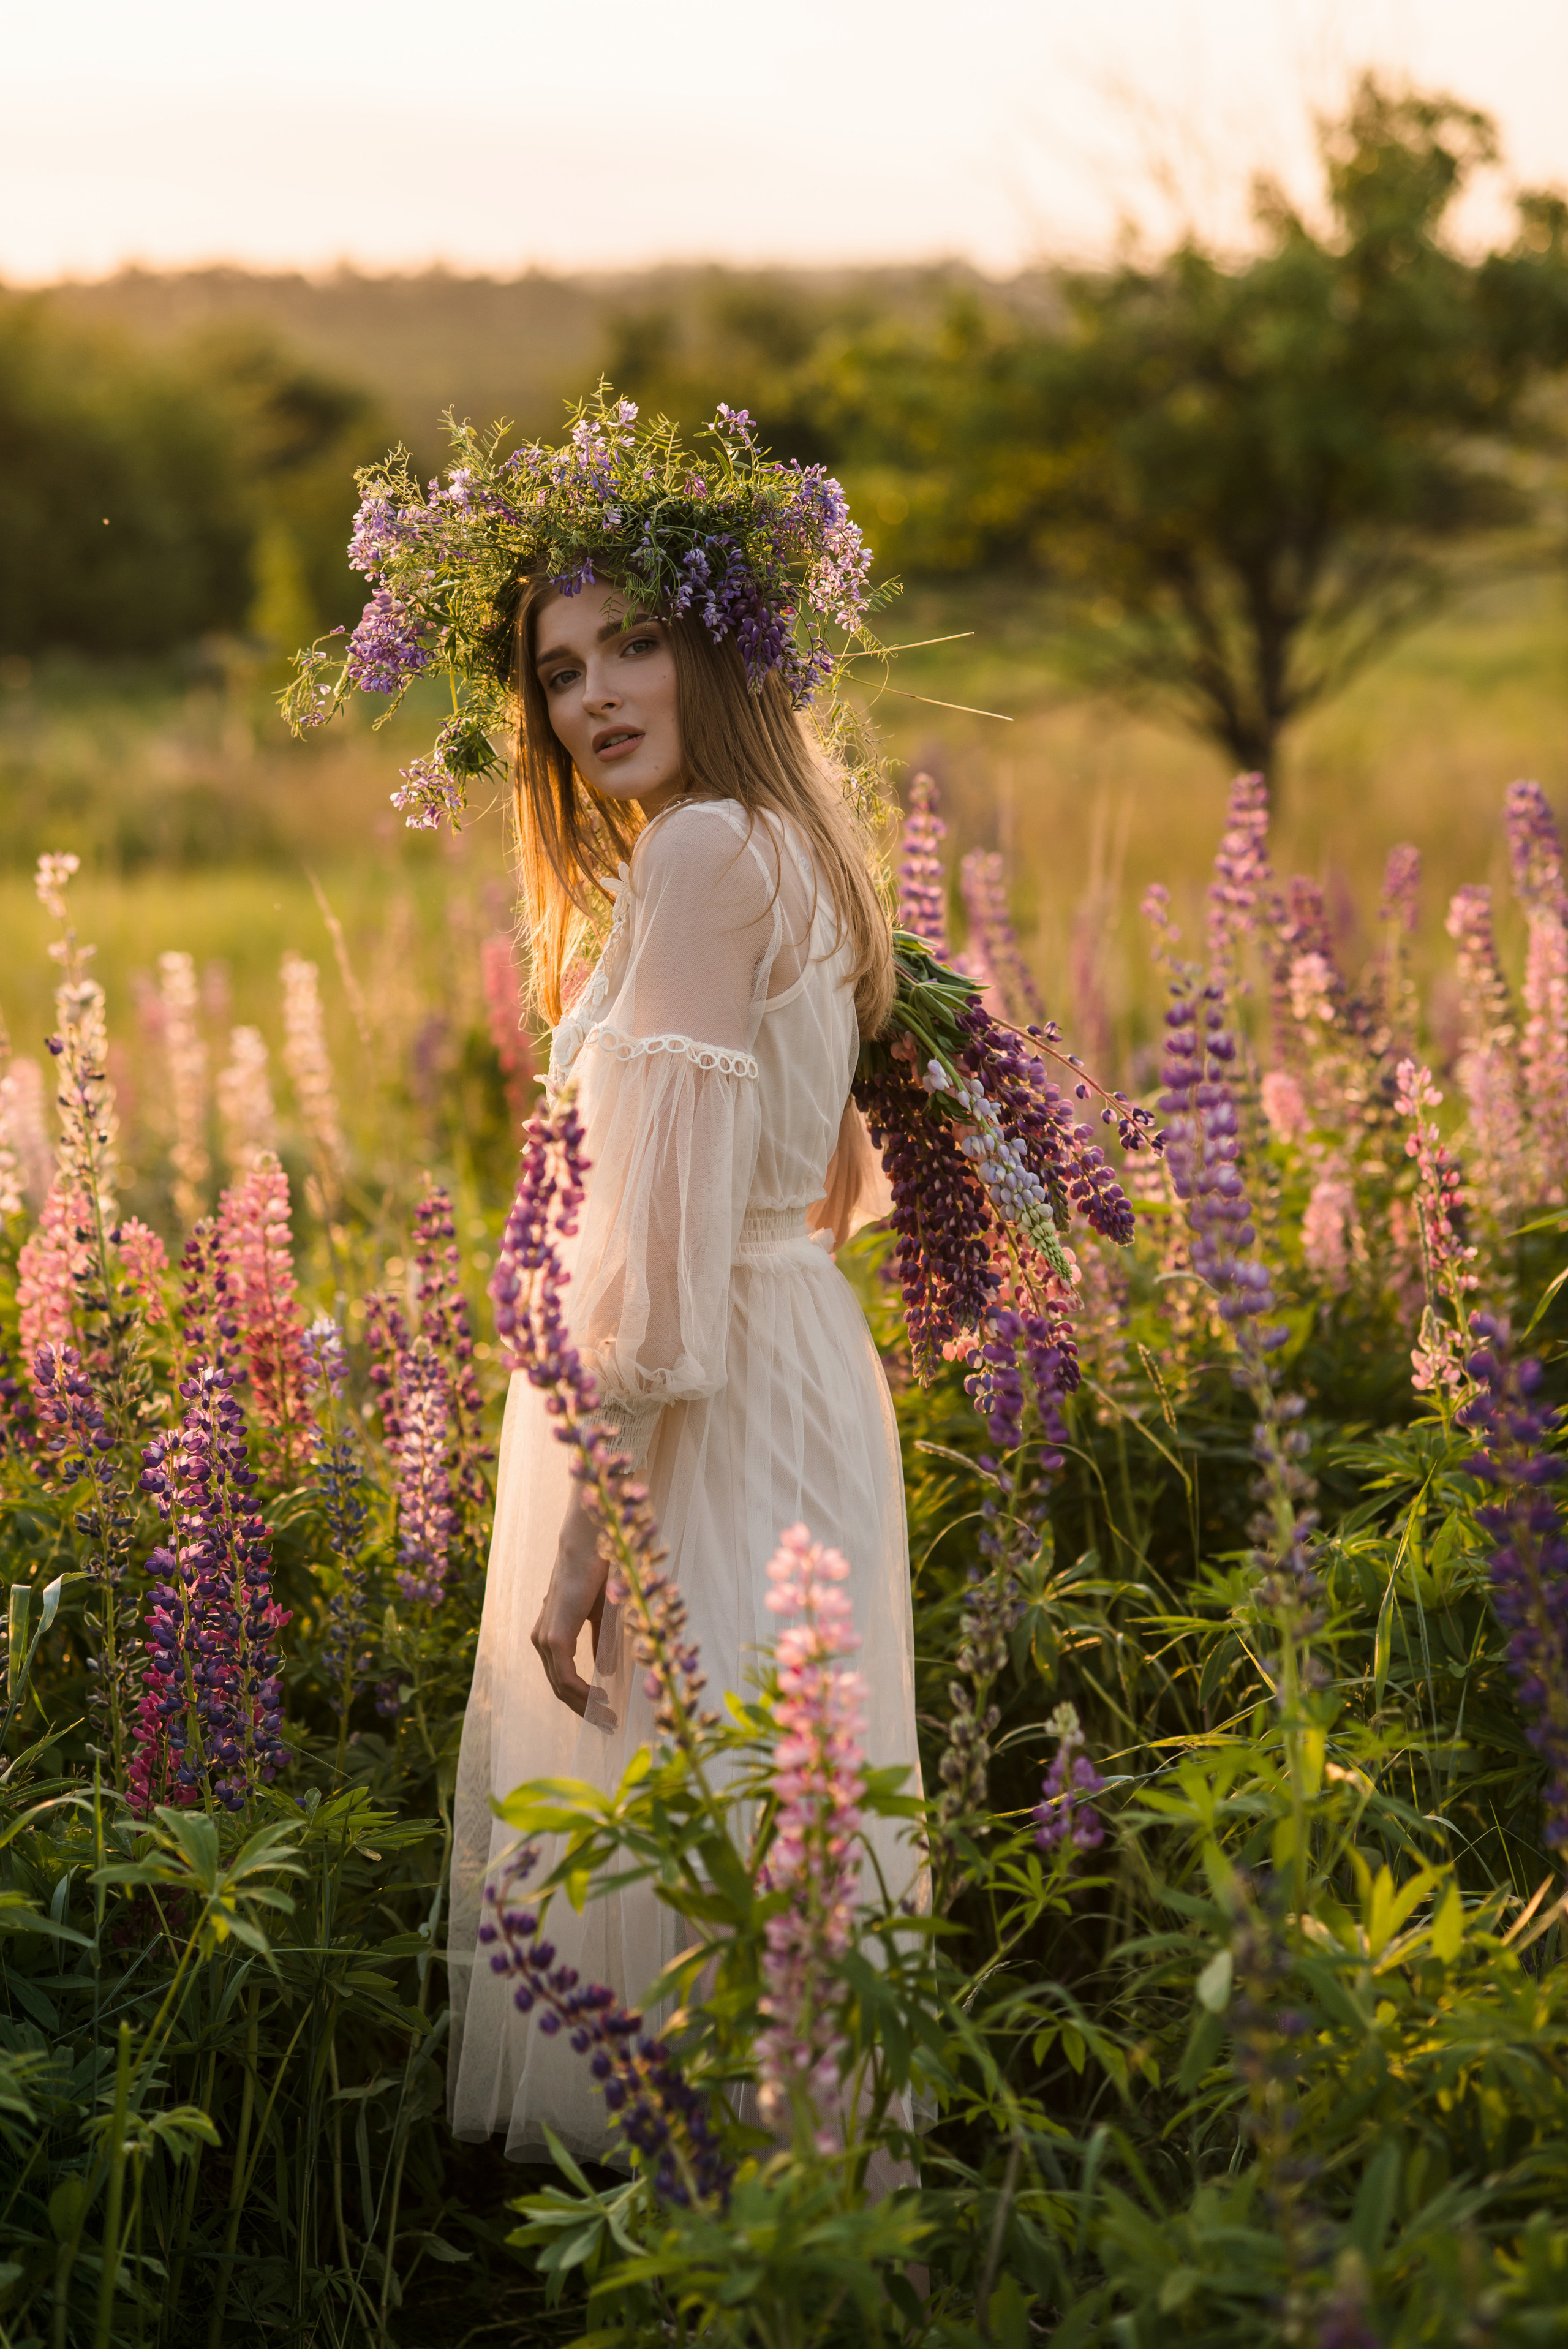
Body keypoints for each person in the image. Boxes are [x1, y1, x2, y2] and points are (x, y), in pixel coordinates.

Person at [445, 571, 925, 2161]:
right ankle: (806, 2248)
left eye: (636, 640)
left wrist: (594, 1529)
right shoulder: (788, 843)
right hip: (779, 1349)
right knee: (783, 1821)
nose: (592, 695)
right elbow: (832, 1179)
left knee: (707, 1820)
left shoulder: (708, 852)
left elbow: (662, 1232)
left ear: (719, 644)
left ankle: (728, 2260)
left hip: (691, 1401)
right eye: (562, 670)